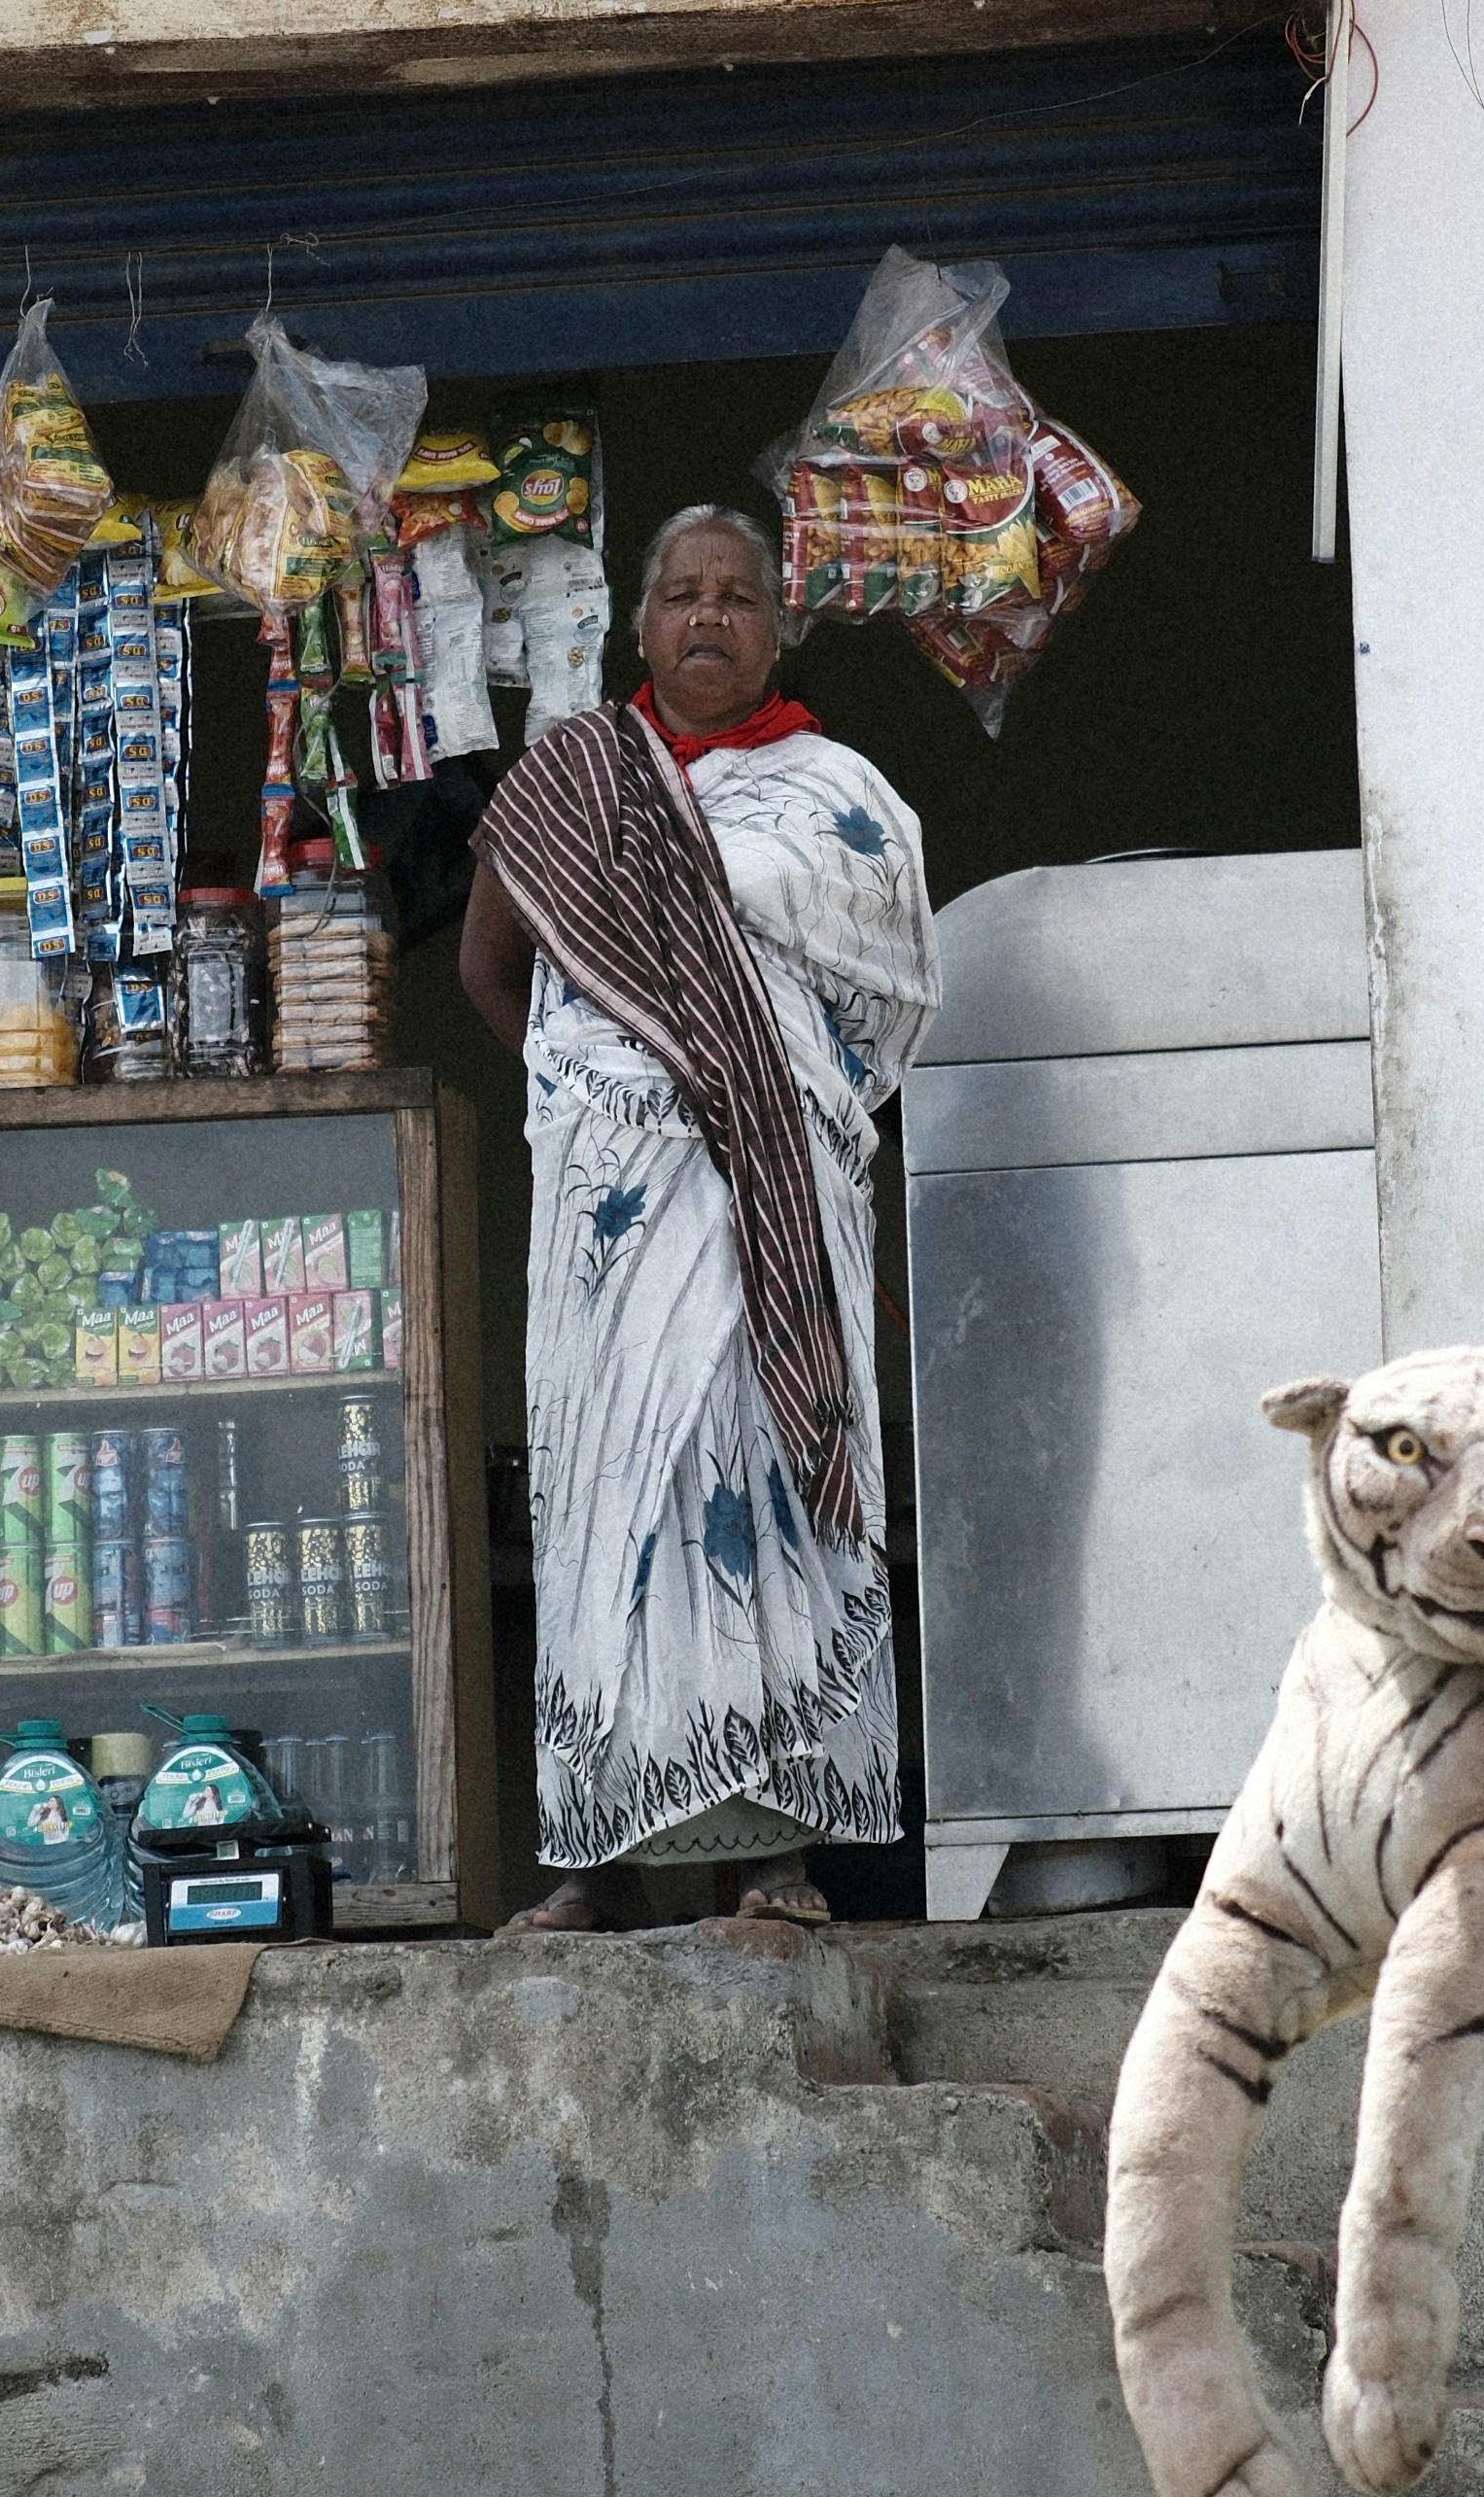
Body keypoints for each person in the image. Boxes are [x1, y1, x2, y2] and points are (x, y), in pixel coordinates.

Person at [461, 504, 938, 1931]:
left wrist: (755, 1107)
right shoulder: (570, 786)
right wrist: (606, 1096)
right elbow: (494, 969)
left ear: (778, 627)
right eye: (681, 595)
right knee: (610, 1507)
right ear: (641, 626)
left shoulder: (842, 801)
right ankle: (591, 1869)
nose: (708, 618)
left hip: (773, 1223)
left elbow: (884, 1010)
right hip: (610, 1240)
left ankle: (779, 1865)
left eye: (737, 597)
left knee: (771, 1507)